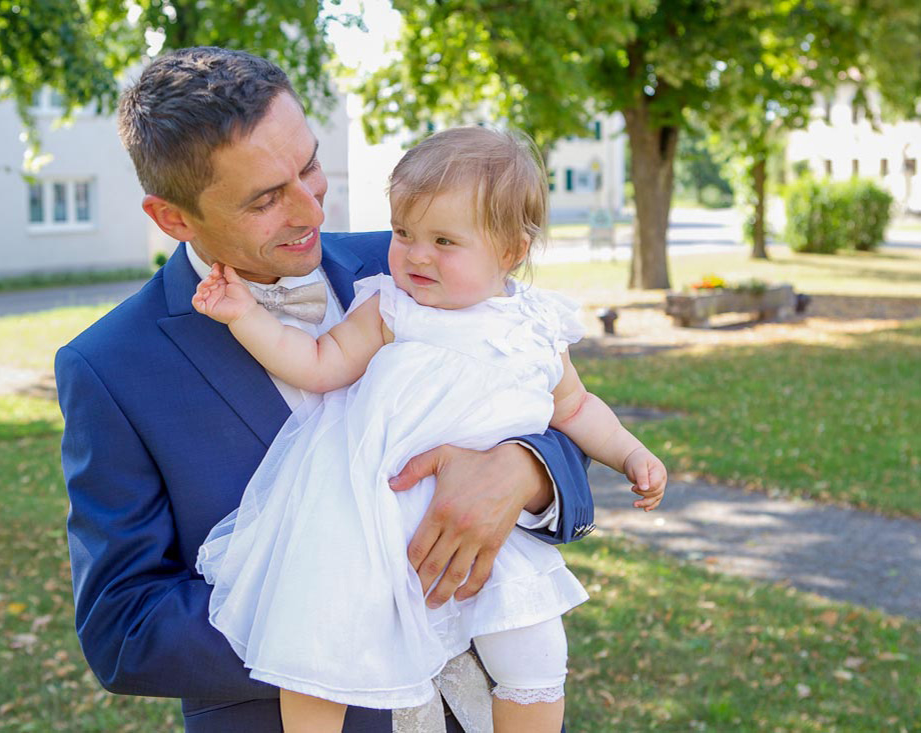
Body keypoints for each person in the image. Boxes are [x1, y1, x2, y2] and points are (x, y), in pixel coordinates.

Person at [56, 47, 603, 733]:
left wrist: (521, 474)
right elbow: (124, 630)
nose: (311, 207)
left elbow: (554, 403)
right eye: (265, 198)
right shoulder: (110, 366)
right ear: (173, 218)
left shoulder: (419, 258)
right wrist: (336, 609)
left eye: (310, 166)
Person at [190, 126, 667, 733]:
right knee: (318, 646)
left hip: (488, 542)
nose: (416, 255)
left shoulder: (536, 327)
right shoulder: (391, 308)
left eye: (444, 241)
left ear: (511, 251)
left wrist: (631, 454)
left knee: (536, 654)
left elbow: (573, 409)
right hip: (370, 518)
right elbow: (316, 365)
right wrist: (245, 317)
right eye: (403, 233)